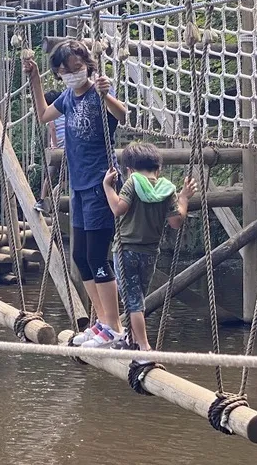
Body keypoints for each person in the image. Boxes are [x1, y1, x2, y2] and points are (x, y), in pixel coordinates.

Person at [24, 39, 128, 348]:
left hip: (101, 185)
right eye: (65, 71)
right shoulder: (69, 97)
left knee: (97, 256)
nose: (72, 74)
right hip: (79, 187)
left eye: (77, 68)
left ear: (87, 66)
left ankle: (113, 326)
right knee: (81, 257)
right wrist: (35, 80)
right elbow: (43, 115)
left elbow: (123, 115)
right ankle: (101, 323)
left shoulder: (98, 92)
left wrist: (106, 92)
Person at [103, 142, 196, 351]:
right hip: (150, 253)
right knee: (138, 299)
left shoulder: (133, 182)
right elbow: (176, 222)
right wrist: (183, 198)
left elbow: (118, 209)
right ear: (159, 168)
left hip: (126, 249)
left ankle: (144, 347)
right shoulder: (167, 189)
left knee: (132, 301)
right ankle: (133, 341)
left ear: (129, 169)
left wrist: (108, 188)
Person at [34, 90, 64, 214]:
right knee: (64, 178)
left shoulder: (52, 114)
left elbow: (52, 128)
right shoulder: (65, 112)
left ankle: (41, 200)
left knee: (49, 176)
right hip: (69, 147)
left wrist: (55, 146)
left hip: (59, 148)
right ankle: (55, 194)